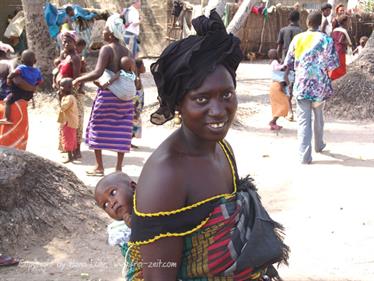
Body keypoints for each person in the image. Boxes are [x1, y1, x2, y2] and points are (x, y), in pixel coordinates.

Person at [127, 11, 289, 280]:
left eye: (226, 94)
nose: (219, 110)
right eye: (201, 99)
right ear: (178, 104)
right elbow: (159, 274)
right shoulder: (167, 174)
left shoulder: (222, 149)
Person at [73, 14, 133, 176]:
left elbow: (97, 72)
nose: (103, 33)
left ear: (111, 33)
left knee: (97, 126)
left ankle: (99, 167)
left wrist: (79, 78)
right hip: (124, 99)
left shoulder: (107, 49)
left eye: (105, 29)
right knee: (122, 129)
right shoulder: (126, 50)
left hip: (107, 95)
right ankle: (119, 168)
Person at [285, 11, 339, 164]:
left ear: (307, 21)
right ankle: (319, 144)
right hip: (319, 86)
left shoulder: (298, 38)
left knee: (303, 120)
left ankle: (305, 156)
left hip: (301, 85)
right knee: (319, 115)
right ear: (319, 22)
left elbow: (288, 61)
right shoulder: (326, 39)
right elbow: (333, 64)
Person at [95, 172, 137, 279]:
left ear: (133, 187)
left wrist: (138, 226)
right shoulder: (119, 228)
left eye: (113, 193)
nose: (112, 203)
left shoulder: (150, 204)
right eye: (106, 205)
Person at [0, 43, 38, 150]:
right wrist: (32, 88)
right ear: (6, 52)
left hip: (3, 105)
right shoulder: (12, 63)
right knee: (13, 143)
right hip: (14, 105)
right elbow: (17, 80)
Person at [55, 31, 83, 160]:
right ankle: (66, 146)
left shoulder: (75, 58)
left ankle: (77, 149)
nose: (66, 44)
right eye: (64, 41)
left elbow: (76, 78)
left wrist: (71, 93)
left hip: (72, 94)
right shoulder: (63, 55)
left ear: (74, 43)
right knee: (64, 120)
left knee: (75, 120)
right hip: (63, 92)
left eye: (69, 41)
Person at [0, 50, 42, 125]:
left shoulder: (20, 67)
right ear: (35, 61)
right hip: (28, 95)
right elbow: (40, 81)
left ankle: (7, 118)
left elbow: (17, 80)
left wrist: (9, 78)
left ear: (22, 61)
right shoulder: (37, 71)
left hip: (17, 95)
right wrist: (34, 87)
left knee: (8, 102)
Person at [277, 10, 303, 121]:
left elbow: (279, 48)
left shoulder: (283, 30)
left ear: (289, 19)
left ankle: (289, 110)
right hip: (298, 62)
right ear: (299, 19)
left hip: (285, 61)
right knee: (295, 85)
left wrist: (279, 60)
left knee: (286, 85)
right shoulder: (301, 32)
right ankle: (293, 110)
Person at [57, 78, 78, 163]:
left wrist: (59, 97)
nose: (60, 88)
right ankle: (74, 155)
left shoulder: (69, 98)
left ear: (68, 88)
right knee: (71, 138)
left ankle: (70, 156)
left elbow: (63, 107)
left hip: (68, 123)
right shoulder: (68, 97)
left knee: (68, 139)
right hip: (70, 122)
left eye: (62, 86)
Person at [268, 49, 289, 131]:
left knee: (278, 106)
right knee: (283, 105)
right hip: (277, 86)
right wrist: (284, 66)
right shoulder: (274, 62)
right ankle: (272, 122)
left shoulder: (273, 62)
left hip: (275, 86)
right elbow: (277, 68)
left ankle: (274, 123)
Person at [330, 15, 352, 81]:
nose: (349, 23)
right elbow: (340, 41)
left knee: (334, 66)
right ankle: (340, 80)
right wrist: (348, 43)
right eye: (348, 21)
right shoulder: (343, 31)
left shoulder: (335, 30)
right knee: (341, 66)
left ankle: (332, 77)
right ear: (344, 22)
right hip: (340, 51)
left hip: (334, 50)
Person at [131, 58, 146, 147]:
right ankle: (127, 142)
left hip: (137, 106)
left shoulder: (137, 77)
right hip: (135, 106)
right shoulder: (136, 79)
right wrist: (135, 109)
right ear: (138, 67)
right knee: (135, 123)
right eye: (143, 65)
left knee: (135, 124)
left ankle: (128, 141)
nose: (144, 68)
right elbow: (134, 96)